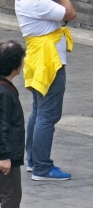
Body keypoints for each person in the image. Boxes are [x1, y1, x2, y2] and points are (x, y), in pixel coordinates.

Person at [15, 0, 76, 181]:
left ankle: (33, 161)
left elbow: (54, 13)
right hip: (48, 63)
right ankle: (42, 167)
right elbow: (70, 13)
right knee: (48, 116)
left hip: (38, 59)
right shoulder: (36, 1)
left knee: (39, 112)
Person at [0, 41, 27, 208]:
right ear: (17, 66)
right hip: (6, 158)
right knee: (11, 196)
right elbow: (1, 126)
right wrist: (3, 156)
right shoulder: (4, 93)